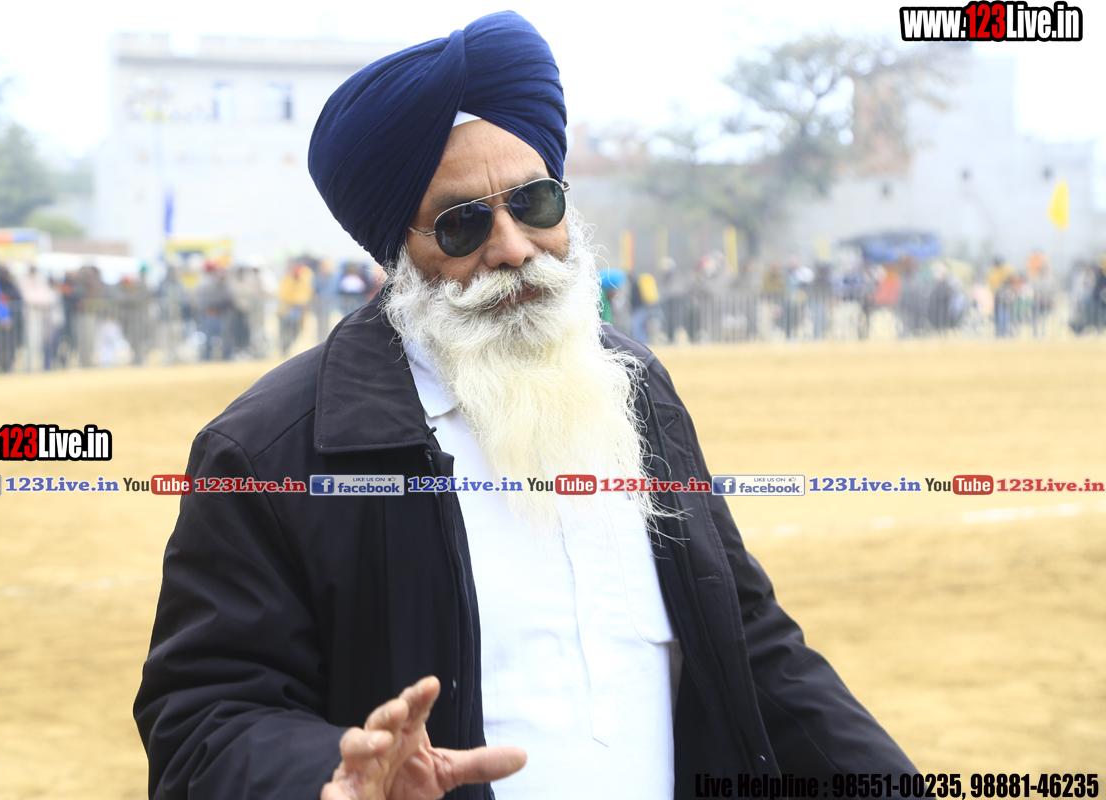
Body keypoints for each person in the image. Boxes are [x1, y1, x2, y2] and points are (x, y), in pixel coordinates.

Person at [135, 12, 915, 800]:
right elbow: (202, 720)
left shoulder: (632, 386)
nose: (512, 246)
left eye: (535, 203)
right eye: (463, 224)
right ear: (397, 252)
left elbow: (746, 643)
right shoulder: (273, 450)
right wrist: (328, 776)